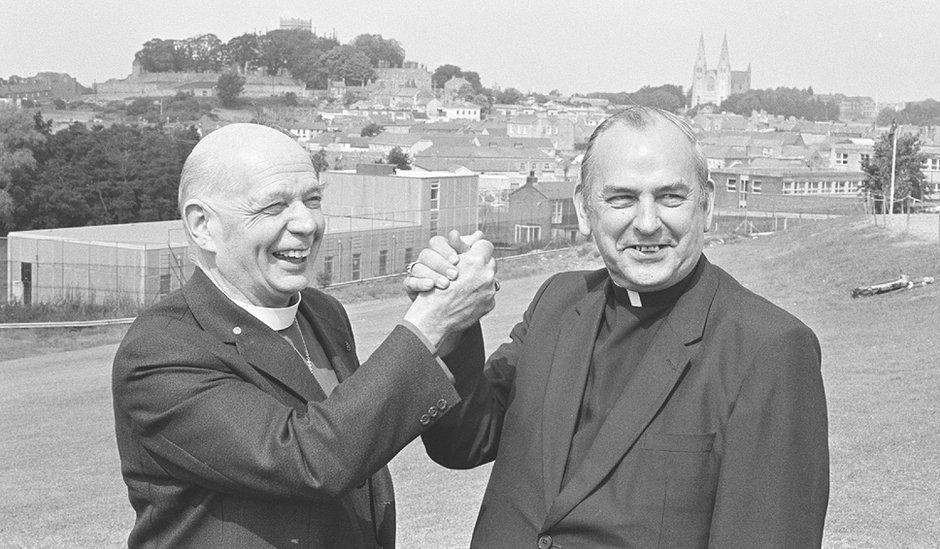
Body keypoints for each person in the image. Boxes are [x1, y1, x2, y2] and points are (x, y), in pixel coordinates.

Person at [407, 107, 830, 548]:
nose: (647, 223)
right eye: (622, 199)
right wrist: (453, 319)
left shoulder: (769, 348)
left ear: (707, 205)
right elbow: (462, 441)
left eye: (670, 197)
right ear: (585, 210)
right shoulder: (558, 301)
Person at [112, 123, 497, 548]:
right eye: (273, 206)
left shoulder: (323, 312)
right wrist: (430, 321)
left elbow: (362, 432)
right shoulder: (162, 350)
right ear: (202, 225)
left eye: (312, 200)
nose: (306, 223)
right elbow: (311, 459)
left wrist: (451, 308)